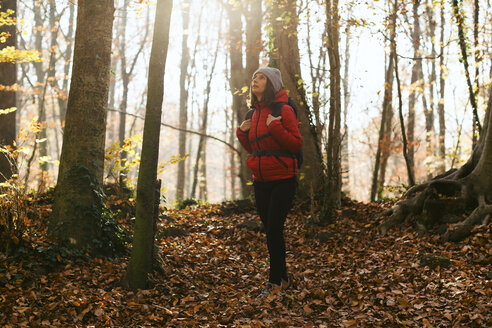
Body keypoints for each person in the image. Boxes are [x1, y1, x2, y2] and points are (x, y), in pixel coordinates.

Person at [236, 67, 302, 298]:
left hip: (284, 179)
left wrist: (276, 126)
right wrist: (242, 135)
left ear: (271, 83)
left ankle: (274, 284)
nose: (255, 80)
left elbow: (295, 144)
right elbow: (255, 150)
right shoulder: (252, 114)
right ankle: (283, 279)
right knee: (271, 231)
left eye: (261, 77)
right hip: (261, 181)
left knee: (274, 229)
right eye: (254, 77)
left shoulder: (284, 110)